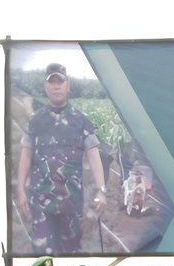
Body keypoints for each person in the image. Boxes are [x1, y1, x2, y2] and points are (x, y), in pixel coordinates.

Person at [14, 62, 108, 252]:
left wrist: (101, 190)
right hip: (40, 202)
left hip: (70, 203)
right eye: (52, 82)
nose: (56, 86)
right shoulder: (36, 120)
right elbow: (26, 154)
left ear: (68, 86)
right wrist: (21, 189)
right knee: (42, 255)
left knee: (70, 253)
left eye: (60, 82)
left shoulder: (81, 120)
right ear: (45, 87)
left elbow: (94, 157)